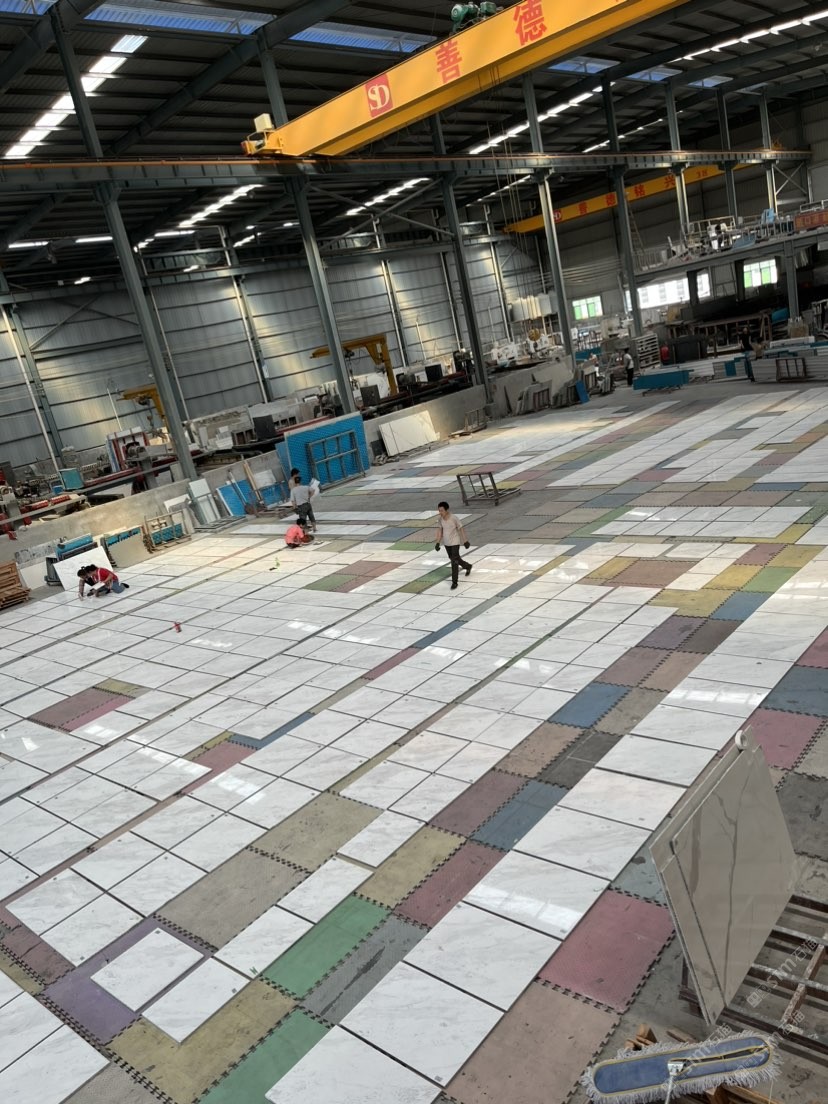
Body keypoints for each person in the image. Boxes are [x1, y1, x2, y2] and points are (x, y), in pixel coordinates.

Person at [435, 501, 472, 590]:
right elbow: (440, 531)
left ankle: (454, 582)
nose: (440, 512)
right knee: (454, 558)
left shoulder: (454, 518)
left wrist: (465, 541)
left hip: (455, 542)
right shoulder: (440, 520)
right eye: (439, 510)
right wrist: (437, 543)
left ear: (446, 510)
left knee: (454, 562)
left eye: (442, 510)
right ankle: (467, 566)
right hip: (447, 543)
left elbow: (461, 528)